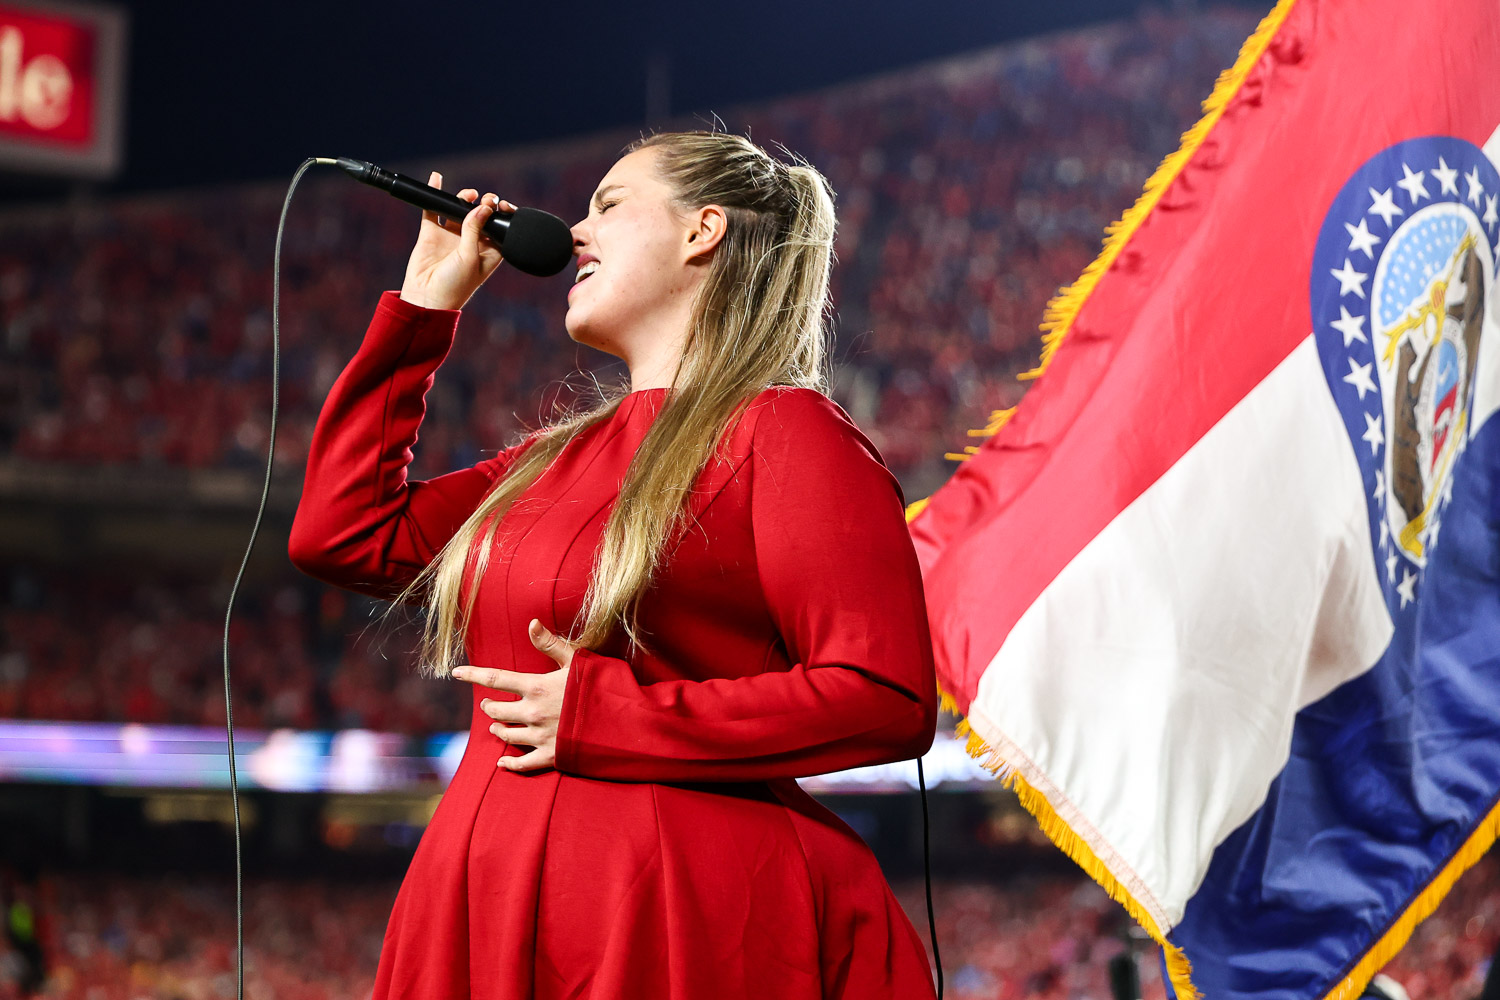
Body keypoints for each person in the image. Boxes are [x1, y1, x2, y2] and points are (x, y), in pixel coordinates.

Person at [289, 130, 940, 999]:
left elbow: (883, 695)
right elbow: (345, 532)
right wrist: (421, 312)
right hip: (483, 893)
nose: (576, 233)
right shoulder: (547, 461)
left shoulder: (788, 433)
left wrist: (615, 717)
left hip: (669, 912)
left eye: (609, 205)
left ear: (702, 230)